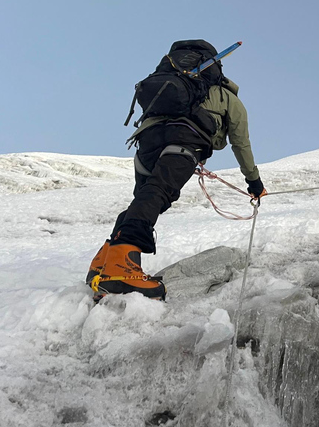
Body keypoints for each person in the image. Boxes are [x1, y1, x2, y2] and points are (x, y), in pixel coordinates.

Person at [86, 40, 266, 301]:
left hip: (147, 140)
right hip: (184, 141)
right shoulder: (226, 96)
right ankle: (120, 267)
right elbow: (241, 142)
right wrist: (254, 182)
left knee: (146, 197)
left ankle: (103, 262)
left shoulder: (174, 82)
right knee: (159, 192)